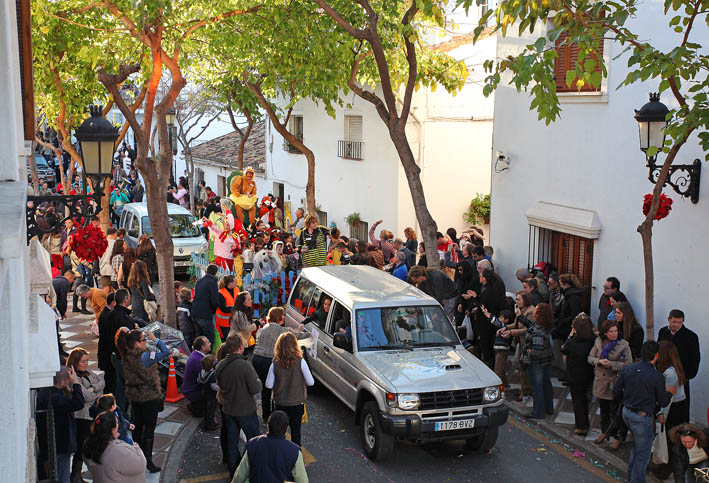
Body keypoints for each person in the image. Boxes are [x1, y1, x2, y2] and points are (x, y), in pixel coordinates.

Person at [613, 341, 672, 483]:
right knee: (642, 455)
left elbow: (615, 390)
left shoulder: (629, 369)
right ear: (656, 355)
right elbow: (663, 401)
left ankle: (630, 478)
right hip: (642, 418)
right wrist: (669, 393)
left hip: (627, 413)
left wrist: (625, 401)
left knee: (636, 446)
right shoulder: (656, 376)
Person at [116, 328, 171, 473]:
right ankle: (148, 461)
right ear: (135, 343)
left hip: (135, 395)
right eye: (143, 340)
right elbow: (166, 352)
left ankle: (137, 455)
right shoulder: (146, 357)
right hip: (149, 397)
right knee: (149, 430)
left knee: (138, 426)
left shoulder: (125, 354)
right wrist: (155, 339)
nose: (145, 341)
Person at [215, 336, 262, 477]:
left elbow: (221, 386)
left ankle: (234, 471)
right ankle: (254, 467)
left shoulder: (220, 366)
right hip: (246, 410)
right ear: (240, 347)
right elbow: (255, 388)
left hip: (229, 409)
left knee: (231, 442)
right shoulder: (244, 366)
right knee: (253, 440)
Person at [253, 307, 309, 423]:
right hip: (268, 360)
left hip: (257, 359)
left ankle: (266, 415)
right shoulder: (280, 330)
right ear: (279, 317)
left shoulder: (265, 328)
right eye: (283, 315)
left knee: (265, 388)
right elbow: (296, 336)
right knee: (275, 387)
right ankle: (276, 415)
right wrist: (308, 334)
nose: (284, 317)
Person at [589, 319, 633, 450]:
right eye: (611, 331)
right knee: (604, 410)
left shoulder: (623, 345)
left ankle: (618, 437)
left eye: (616, 331)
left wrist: (613, 365)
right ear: (605, 332)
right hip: (601, 381)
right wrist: (599, 361)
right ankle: (604, 432)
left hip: (615, 382)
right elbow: (590, 358)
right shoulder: (598, 342)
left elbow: (629, 364)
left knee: (617, 413)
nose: (614, 334)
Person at [36, 367, 85, 483]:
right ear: (63, 382)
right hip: (60, 446)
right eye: (68, 380)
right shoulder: (55, 398)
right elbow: (78, 403)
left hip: (56, 443)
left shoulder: (48, 392)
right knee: (62, 477)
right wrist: (76, 383)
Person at [265, 332, 315, 447]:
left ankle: (279, 451)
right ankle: (296, 455)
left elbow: (268, 385)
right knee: (296, 431)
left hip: (280, 402)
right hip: (297, 402)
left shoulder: (275, 363)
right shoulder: (300, 361)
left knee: (278, 431)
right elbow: (311, 382)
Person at [232, 410, 309, 483]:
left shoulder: (253, 444)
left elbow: (239, 476)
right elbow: (302, 480)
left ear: (268, 426)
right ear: (286, 429)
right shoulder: (295, 451)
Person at [507, 303, 555, 419]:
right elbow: (531, 325)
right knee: (546, 384)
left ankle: (538, 412)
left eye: (536, 310)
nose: (534, 312)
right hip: (547, 360)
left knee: (537, 387)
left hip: (537, 364)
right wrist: (520, 316)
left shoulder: (538, 331)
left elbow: (536, 352)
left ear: (539, 314)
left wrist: (528, 351)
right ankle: (549, 409)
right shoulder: (543, 326)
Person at [66, 348, 105, 482]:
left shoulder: (88, 372)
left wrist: (93, 388)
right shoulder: (73, 377)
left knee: (84, 445)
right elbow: (86, 397)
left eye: (87, 360)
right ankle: (75, 476)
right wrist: (95, 393)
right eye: (83, 361)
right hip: (81, 416)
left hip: (89, 414)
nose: (86, 363)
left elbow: (102, 381)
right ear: (75, 362)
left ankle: (77, 475)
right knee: (81, 446)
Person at [658, 309, 701, 422]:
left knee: (680, 409)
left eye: (679, 322)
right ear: (669, 319)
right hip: (664, 375)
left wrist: (686, 376)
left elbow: (695, 358)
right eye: (674, 322)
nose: (676, 325)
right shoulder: (663, 332)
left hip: (681, 377)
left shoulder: (690, 336)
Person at [82, 411, 146, 483]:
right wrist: (136, 447)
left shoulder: (88, 444)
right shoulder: (119, 451)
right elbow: (141, 464)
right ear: (113, 429)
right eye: (117, 423)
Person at [561, 313, 596, 436]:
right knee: (584, 401)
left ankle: (581, 426)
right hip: (588, 374)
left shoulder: (572, 342)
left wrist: (571, 334)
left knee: (577, 401)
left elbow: (563, 349)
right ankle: (584, 423)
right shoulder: (592, 340)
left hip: (574, 376)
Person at [553, 273, 584, 371]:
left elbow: (574, 314)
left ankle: (568, 373)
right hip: (565, 326)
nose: (560, 287)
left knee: (568, 352)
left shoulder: (572, 297)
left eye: (561, 285)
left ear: (566, 285)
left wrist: (561, 321)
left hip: (568, 328)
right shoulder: (569, 295)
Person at [183, 336, 212, 419]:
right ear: (203, 347)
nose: (210, 343)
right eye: (208, 342)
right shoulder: (198, 359)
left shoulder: (197, 355)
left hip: (192, 389)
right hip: (193, 391)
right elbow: (206, 378)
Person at [192, 264, 219, 346]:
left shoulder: (199, 281)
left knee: (199, 338)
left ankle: (198, 355)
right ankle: (207, 357)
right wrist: (213, 311)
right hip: (205, 314)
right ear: (215, 273)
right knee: (209, 339)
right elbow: (214, 301)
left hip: (195, 312)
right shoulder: (212, 282)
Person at [127, 260, 156, 324]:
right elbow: (148, 297)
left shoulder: (131, 281)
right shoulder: (143, 281)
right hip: (143, 307)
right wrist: (153, 296)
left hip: (134, 305)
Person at [215, 275, 239, 340]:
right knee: (227, 340)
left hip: (234, 321)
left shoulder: (237, 289)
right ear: (230, 283)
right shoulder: (221, 293)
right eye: (235, 281)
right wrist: (235, 308)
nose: (237, 283)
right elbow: (223, 308)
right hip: (224, 322)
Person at [136, 235, 159, 299]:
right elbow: (154, 261)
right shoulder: (152, 250)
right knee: (149, 288)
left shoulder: (138, 249)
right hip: (150, 271)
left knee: (142, 288)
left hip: (140, 271)